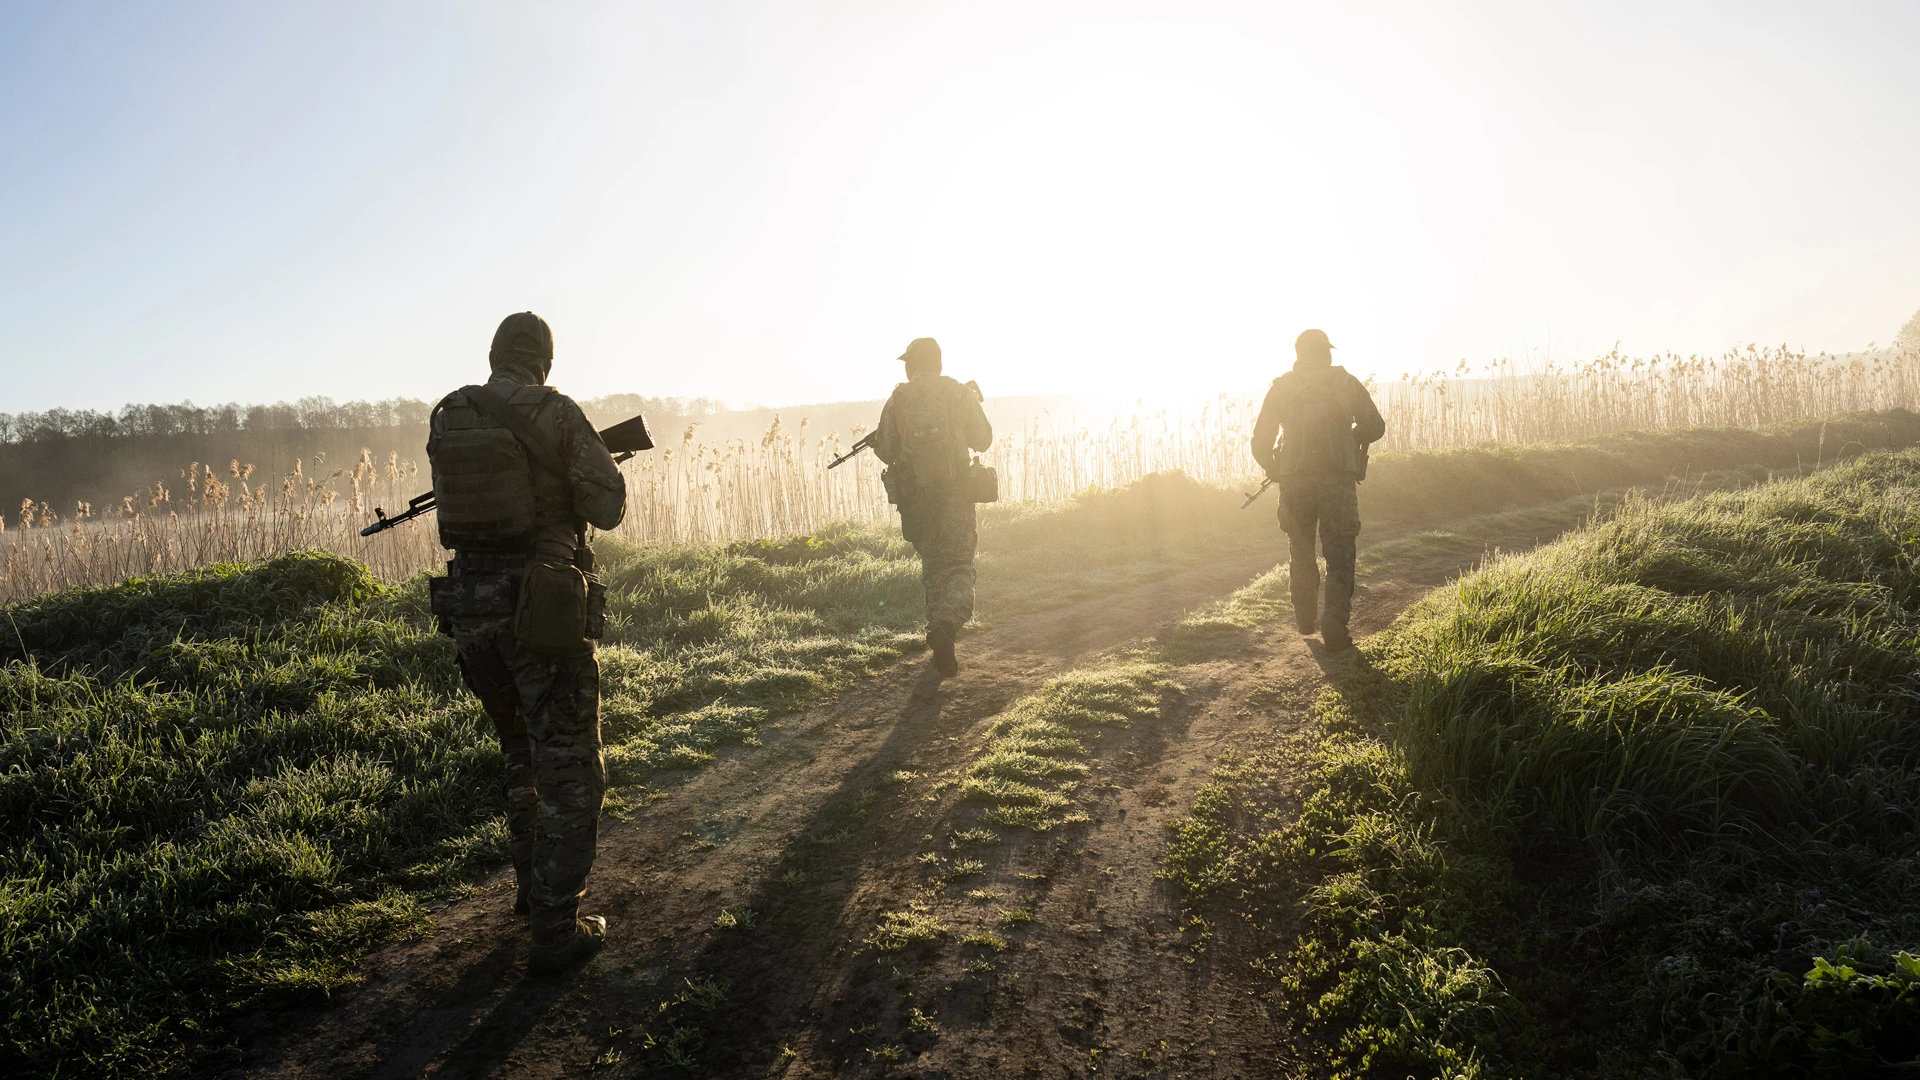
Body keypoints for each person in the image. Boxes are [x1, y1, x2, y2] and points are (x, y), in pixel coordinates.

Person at [425, 311, 627, 976]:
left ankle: (529, 894)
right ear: (544, 359)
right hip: (543, 616)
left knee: (520, 754)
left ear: (492, 355)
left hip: (471, 616)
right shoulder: (557, 411)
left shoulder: (448, 414)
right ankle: (555, 932)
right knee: (573, 775)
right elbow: (608, 506)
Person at [1249, 328, 1386, 652]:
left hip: (1295, 484)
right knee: (1340, 556)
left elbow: (1260, 440)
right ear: (1326, 352)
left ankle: (1306, 620)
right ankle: (1335, 631)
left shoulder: (1282, 388)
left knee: (1301, 552)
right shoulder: (1345, 383)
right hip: (1336, 483)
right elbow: (1376, 426)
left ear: (1298, 354)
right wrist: (1351, 438)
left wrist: (1274, 467)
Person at [871, 337, 994, 677]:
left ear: (912, 365)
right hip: (955, 495)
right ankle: (946, 629)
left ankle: (936, 634)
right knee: (960, 566)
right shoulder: (958, 393)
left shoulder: (898, 399)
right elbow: (983, 439)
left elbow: (888, 450)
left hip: (916, 500)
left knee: (933, 568)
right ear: (938, 363)